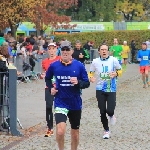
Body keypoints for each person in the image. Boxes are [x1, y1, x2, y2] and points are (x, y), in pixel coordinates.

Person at [45, 41, 90, 150]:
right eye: (63, 50)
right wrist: (51, 87)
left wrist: (78, 82)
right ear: (60, 51)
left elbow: (87, 83)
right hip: (60, 101)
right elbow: (47, 78)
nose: (65, 52)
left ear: (72, 51)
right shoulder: (54, 66)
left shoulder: (79, 65)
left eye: (67, 50)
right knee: (60, 131)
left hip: (75, 103)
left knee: (75, 133)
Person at [88, 44, 122, 139]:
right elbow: (90, 72)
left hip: (111, 88)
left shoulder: (113, 60)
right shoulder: (95, 61)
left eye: (105, 50)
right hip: (100, 89)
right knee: (102, 111)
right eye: (102, 49)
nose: (104, 51)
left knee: (109, 110)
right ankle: (106, 130)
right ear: (99, 51)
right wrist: (91, 78)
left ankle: (111, 115)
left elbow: (120, 70)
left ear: (108, 51)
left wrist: (116, 73)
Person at [42, 43, 60, 137]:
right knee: (49, 107)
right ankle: (50, 128)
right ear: (48, 51)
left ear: (56, 50)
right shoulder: (45, 61)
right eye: (50, 49)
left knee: (59, 108)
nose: (52, 51)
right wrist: (43, 76)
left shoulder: (60, 60)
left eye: (53, 49)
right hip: (48, 87)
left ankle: (60, 126)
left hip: (59, 87)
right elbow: (44, 73)